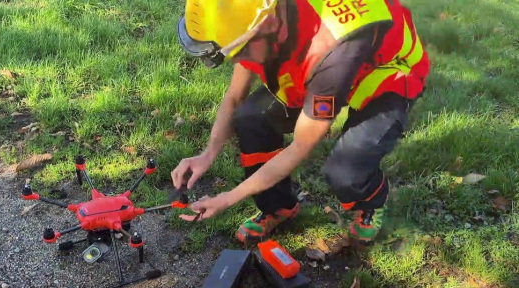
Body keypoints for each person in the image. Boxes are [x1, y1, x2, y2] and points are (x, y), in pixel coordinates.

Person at [171, 0, 429, 245]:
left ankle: (371, 201)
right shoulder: (258, 16)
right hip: (319, 64)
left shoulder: (332, 51)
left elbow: (301, 147)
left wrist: (228, 198)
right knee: (252, 118)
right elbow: (235, 98)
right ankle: (278, 206)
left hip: (384, 71)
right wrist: (207, 154)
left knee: (346, 172)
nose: (239, 61)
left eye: (241, 52)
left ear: (270, 24)